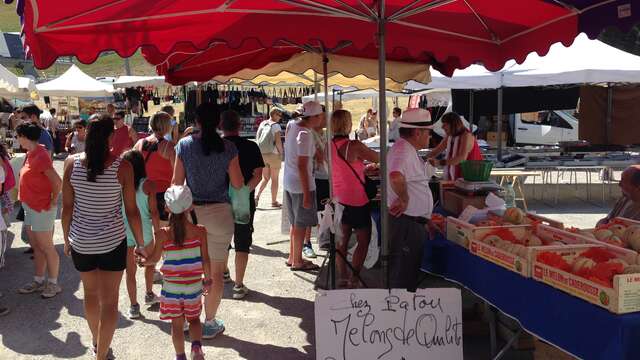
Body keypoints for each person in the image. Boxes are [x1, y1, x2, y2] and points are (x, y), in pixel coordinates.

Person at [61, 115, 146, 360]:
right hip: (112, 242)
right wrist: (140, 243)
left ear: (86, 133)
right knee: (109, 303)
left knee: (90, 295)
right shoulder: (123, 167)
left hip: (82, 241)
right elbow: (131, 210)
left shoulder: (70, 163)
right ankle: (102, 354)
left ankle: (98, 343)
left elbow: (67, 208)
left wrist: (67, 240)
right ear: (111, 136)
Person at [172, 102, 243, 339]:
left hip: (192, 214)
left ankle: (187, 319)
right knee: (215, 271)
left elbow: (176, 184)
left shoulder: (184, 145)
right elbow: (237, 183)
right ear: (219, 122)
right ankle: (210, 321)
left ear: (197, 120)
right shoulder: (229, 148)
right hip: (221, 214)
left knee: (189, 270)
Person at [142, 185, 209, 360]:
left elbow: (154, 259)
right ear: (190, 206)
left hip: (171, 288)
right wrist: (208, 280)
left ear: (166, 207)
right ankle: (196, 348)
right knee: (194, 320)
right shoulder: (200, 232)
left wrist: (142, 261)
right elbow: (206, 259)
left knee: (177, 325)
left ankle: (180, 356)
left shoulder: (163, 234)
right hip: (194, 285)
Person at [387, 108, 435, 292]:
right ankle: (399, 315)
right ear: (417, 132)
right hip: (406, 224)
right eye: (428, 132)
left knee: (406, 272)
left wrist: (425, 218)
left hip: (411, 222)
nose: (429, 137)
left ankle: (401, 312)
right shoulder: (403, 152)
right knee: (403, 277)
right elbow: (395, 176)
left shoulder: (406, 149)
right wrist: (404, 198)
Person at [331, 110, 380, 288]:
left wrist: (361, 169)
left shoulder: (328, 145)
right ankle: (354, 278)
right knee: (363, 240)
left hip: (339, 199)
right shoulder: (354, 146)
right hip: (357, 200)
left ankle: (342, 277)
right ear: (348, 125)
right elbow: (378, 157)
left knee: (341, 242)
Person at [220, 110, 264, 299]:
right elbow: (258, 175)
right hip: (244, 202)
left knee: (222, 239)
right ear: (239, 125)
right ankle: (239, 284)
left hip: (219, 201)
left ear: (221, 126)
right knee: (243, 241)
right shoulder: (251, 146)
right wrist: (244, 192)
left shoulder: (216, 147)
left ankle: (224, 272)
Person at [15, 123, 62, 299]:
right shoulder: (31, 153)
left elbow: (57, 182)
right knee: (37, 247)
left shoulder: (40, 155)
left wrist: (52, 201)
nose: (16, 138)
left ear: (24, 137)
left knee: (47, 247)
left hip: (41, 207)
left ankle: (53, 283)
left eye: (17, 135)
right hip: (30, 206)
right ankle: (39, 279)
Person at [121, 150, 161, 319]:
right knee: (150, 264)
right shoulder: (149, 185)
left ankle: (133, 306)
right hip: (144, 230)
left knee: (130, 272)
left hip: (124, 229)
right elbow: (154, 212)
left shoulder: (120, 183)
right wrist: (158, 232)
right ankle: (149, 293)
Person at [283, 101, 323, 271]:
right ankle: (298, 260)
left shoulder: (292, 125)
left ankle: (293, 257)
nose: (321, 119)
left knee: (295, 223)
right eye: (320, 116)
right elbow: (302, 165)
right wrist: (307, 193)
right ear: (313, 117)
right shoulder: (305, 134)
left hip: (289, 181)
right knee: (300, 225)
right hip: (301, 185)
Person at [133, 111, 175, 223]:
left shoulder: (140, 143)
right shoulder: (170, 147)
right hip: (163, 196)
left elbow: (130, 165)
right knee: (163, 232)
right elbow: (177, 174)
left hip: (143, 194)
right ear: (166, 126)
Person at [427, 112, 483, 180]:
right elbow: (436, 151)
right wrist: (422, 159)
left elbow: (461, 158)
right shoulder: (450, 136)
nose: (442, 127)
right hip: (459, 179)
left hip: (471, 177)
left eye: (444, 124)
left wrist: (440, 162)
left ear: (453, 125)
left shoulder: (467, 136)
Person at [255, 108, 284, 208]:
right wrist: (281, 153)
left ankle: (257, 196)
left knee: (266, 178)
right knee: (274, 179)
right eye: (279, 115)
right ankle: (274, 201)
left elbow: (257, 137)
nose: (280, 117)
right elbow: (278, 142)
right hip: (273, 155)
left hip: (262, 154)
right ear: (275, 114)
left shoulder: (263, 123)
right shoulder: (276, 126)